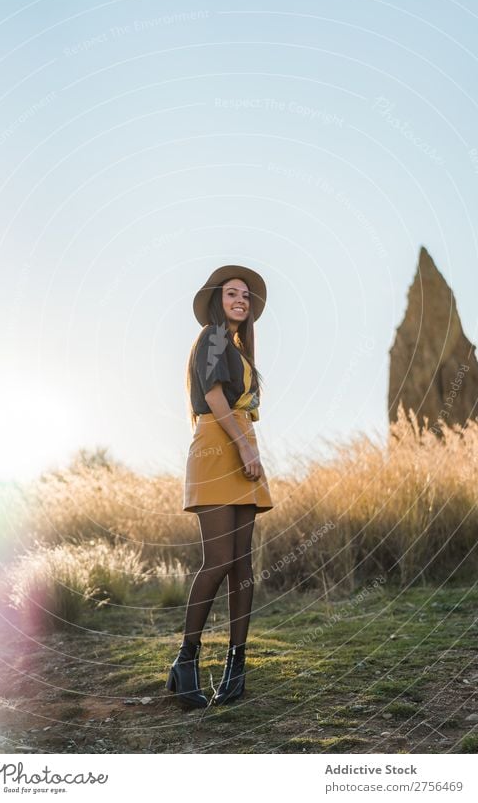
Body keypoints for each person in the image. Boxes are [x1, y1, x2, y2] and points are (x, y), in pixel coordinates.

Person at [165, 265, 273, 709]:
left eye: (246, 295)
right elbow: (212, 397)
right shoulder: (211, 337)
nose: (241, 300)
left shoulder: (240, 351)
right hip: (216, 444)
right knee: (219, 560)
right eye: (232, 293)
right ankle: (185, 660)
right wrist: (246, 452)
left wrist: (249, 447)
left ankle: (236, 666)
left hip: (242, 440)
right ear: (218, 300)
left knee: (243, 563)